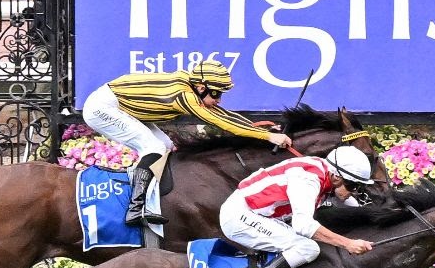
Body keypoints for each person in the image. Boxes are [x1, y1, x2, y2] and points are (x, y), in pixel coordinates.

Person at [82, 60, 294, 227]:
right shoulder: (184, 96)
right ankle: (134, 208)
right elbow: (220, 122)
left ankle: (148, 197)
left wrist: (261, 131)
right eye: (216, 93)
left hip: (122, 106)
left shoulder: (192, 87)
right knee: (154, 147)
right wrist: (268, 137)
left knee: (164, 145)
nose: (219, 99)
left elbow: (223, 114)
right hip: (103, 108)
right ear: (200, 87)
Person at [219, 145, 375, 268]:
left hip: (258, 214)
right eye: (353, 186)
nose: (354, 192)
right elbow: (303, 225)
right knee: (308, 248)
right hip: (239, 217)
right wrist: (348, 244)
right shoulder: (308, 179)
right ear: (336, 177)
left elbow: (352, 204)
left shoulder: (326, 172)